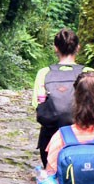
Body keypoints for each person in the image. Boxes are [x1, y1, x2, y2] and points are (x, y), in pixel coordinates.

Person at [33, 28, 84, 166]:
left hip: (50, 137)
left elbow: (36, 104)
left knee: (52, 176)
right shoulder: (88, 72)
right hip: (82, 136)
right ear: (78, 48)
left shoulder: (44, 73)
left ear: (56, 48)